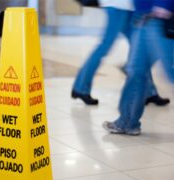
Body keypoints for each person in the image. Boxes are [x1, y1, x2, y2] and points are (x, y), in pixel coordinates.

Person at [71, 0, 170, 106]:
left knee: (139, 47)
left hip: (128, 7)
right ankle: (80, 88)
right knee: (105, 46)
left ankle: (149, 91)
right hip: (117, 6)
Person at [102, 0, 174, 135]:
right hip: (142, 17)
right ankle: (127, 123)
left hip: (162, 17)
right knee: (136, 71)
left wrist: (165, 4)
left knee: (170, 74)